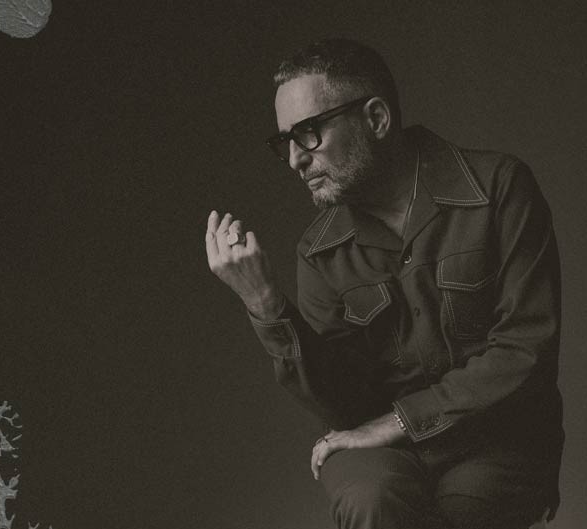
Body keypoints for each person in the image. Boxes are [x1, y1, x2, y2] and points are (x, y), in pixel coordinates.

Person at [205, 38, 563, 529]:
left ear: (375, 118)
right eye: (284, 141)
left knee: (461, 514)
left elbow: (525, 350)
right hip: (379, 446)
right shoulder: (319, 251)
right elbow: (341, 403)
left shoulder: (499, 189)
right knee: (369, 501)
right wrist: (264, 303)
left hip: (497, 440)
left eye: (308, 134)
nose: (293, 160)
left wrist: (398, 422)